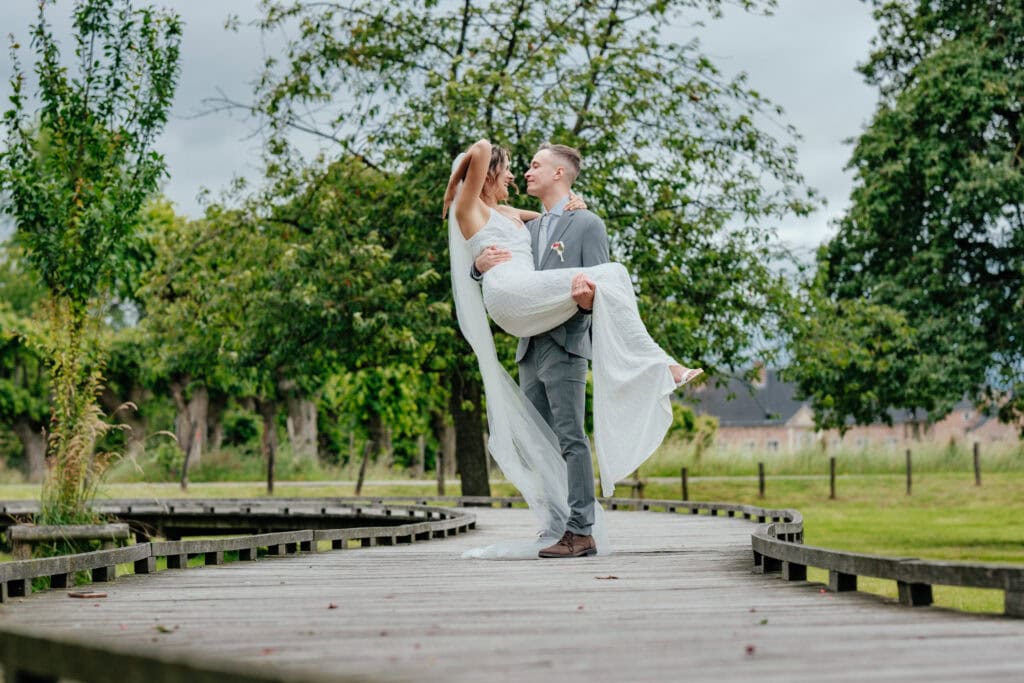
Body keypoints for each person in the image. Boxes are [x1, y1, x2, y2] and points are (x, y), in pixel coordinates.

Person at [444, 139, 701, 560]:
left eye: (533, 166)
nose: (519, 174)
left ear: (558, 173)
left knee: (567, 436)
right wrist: (476, 265)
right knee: (537, 439)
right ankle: (556, 523)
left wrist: (585, 301)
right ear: (490, 173)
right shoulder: (505, 217)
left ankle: (578, 529)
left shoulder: (569, 222)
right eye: (513, 168)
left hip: (563, 338)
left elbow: (586, 279)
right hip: (525, 327)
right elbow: (480, 219)